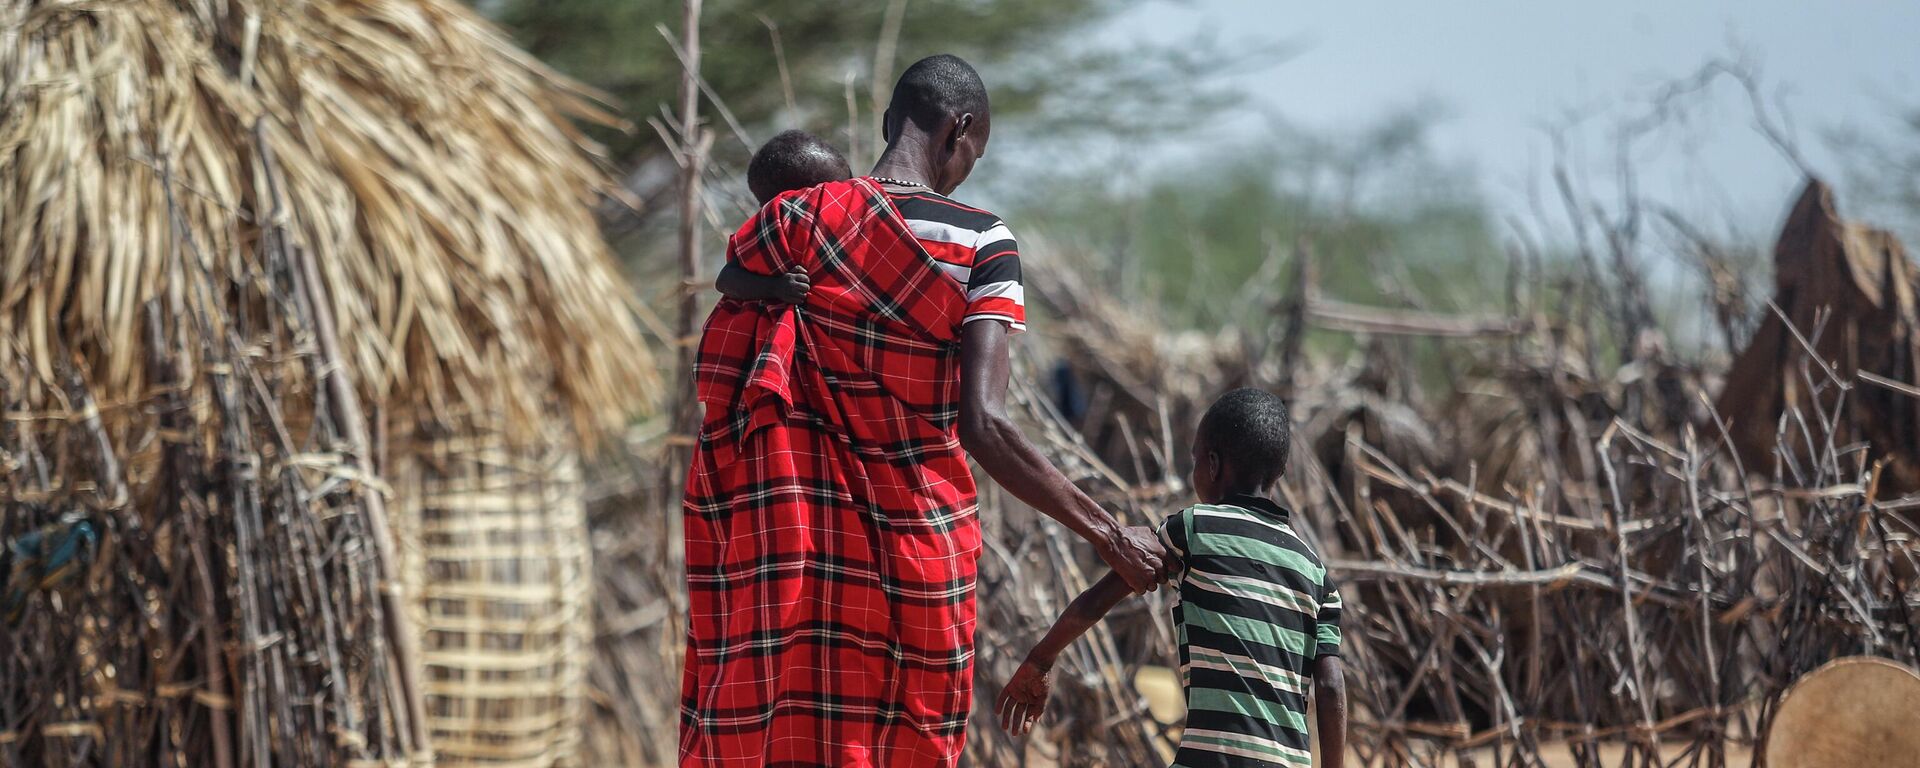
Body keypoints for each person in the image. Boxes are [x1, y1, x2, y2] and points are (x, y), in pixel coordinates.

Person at [681, 54, 1167, 768]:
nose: (969, 165)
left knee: (772, 729)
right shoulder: (982, 241)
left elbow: (725, 378)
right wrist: (1105, 530)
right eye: (976, 150)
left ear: (886, 125)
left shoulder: (791, 222)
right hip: (915, 551)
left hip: (785, 539)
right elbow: (985, 425)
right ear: (959, 131)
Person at [995, 388, 1347, 768]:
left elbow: (1099, 599)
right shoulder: (1316, 573)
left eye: (1195, 459)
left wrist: (1041, 658)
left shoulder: (1194, 529)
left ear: (1212, 465)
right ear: (1278, 473)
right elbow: (1329, 687)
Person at [713, 129, 852, 304]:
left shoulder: (852, 228)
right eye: (832, 196)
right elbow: (726, 280)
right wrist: (775, 287)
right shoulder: (767, 237)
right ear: (783, 209)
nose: (847, 199)